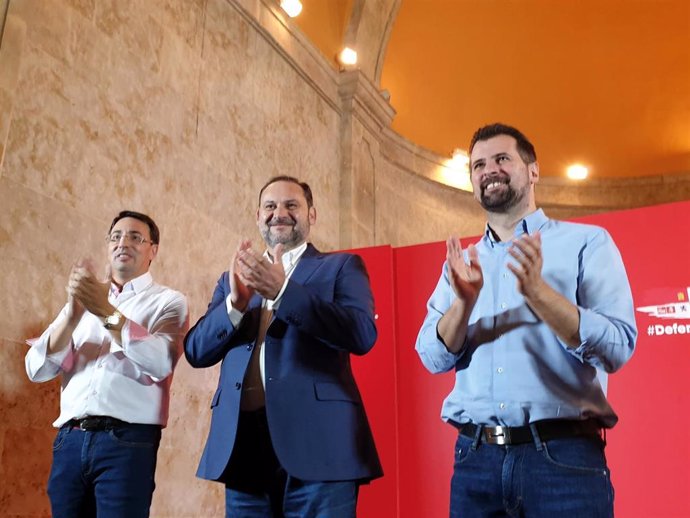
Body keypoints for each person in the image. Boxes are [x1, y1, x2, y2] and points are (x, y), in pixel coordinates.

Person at [415, 123, 637, 518]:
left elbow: (617, 347)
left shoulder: (587, 242)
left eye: (502, 158)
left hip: (563, 460)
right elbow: (432, 357)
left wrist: (540, 294)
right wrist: (462, 306)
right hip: (475, 461)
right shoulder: (463, 264)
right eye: (478, 164)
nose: (489, 170)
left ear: (533, 170)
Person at [184, 175, 382, 517]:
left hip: (320, 448)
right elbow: (196, 351)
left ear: (312, 216)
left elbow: (362, 334)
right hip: (244, 449)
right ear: (258, 216)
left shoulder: (341, 267)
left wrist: (283, 293)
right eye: (270, 206)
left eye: (292, 205)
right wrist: (234, 304)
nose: (280, 213)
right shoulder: (232, 278)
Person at [25, 210, 189, 518]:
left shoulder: (168, 301)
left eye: (135, 237)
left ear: (152, 250)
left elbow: (160, 362)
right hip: (70, 441)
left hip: (127, 443)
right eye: (116, 236)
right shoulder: (82, 299)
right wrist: (73, 315)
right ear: (107, 245)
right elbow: (36, 369)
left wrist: (104, 311)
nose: (123, 242)